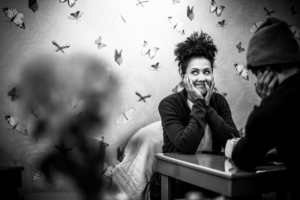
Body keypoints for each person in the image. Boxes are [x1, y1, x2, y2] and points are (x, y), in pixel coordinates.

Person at [149, 31, 239, 200]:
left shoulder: (219, 102)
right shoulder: (169, 104)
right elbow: (186, 146)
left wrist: (207, 106)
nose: (202, 78)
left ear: (212, 75)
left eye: (207, 72)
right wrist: (200, 103)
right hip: (174, 181)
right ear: (184, 77)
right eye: (195, 72)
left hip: (211, 179)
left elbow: (232, 140)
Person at [232, 18, 300, 200]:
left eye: (256, 74)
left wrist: (268, 101)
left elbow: (243, 158)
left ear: (266, 71)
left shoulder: (273, 108)